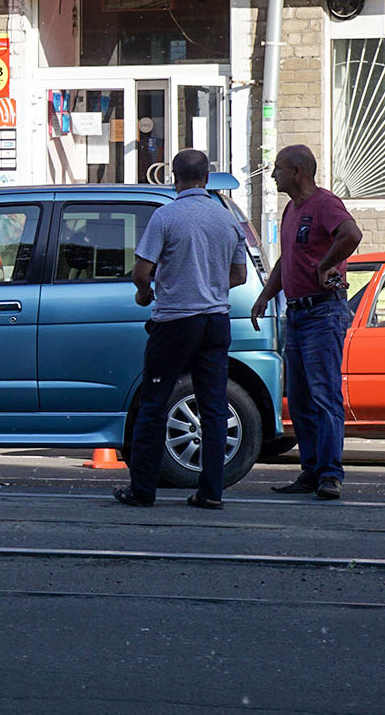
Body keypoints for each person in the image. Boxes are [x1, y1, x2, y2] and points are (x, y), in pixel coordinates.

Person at [114, 149, 248, 510]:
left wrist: (148, 293)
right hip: (216, 323)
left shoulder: (166, 217)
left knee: (154, 404)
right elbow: (239, 275)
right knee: (214, 407)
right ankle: (211, 492)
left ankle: (142, 489)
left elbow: (142, 272)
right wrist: (209, 287)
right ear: (206, 177)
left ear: (174, 177)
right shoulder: (227, 220)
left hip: (174, 322)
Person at [250, 144, 363, 501]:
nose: (273, 175)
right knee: (299, 398)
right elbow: (287, 258)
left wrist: (325, 264)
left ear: (298, 171)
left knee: (323, 394)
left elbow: (351, 234)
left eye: (278, 169)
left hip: (322, 311)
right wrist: (267, 293)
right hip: (298, 312)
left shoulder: (324, 204)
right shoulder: (292, 210)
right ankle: (311, 470)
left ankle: (330, 473)